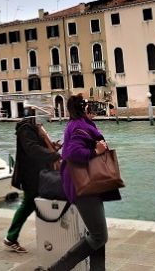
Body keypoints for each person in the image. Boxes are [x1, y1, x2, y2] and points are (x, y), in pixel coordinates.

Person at [38, 94, 121, 271]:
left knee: (96, 233)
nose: (94, 110)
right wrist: (96, 152)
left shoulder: (79, 125)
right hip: (83, 185)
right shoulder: (78, 126)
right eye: (90, 106)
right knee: (99, 236)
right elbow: (73, 153)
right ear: (84, 109)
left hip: (90, 183)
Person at [3, 108, 61, 253]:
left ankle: (46, 238)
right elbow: (32, 149)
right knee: (29, 204)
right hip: (30, 174)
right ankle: (11, 238)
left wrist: (53, 147)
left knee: (32, 204)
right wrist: (53, 155)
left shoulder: (36, 127)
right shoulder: (26, 129)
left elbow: (38, 146)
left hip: (38, 173)